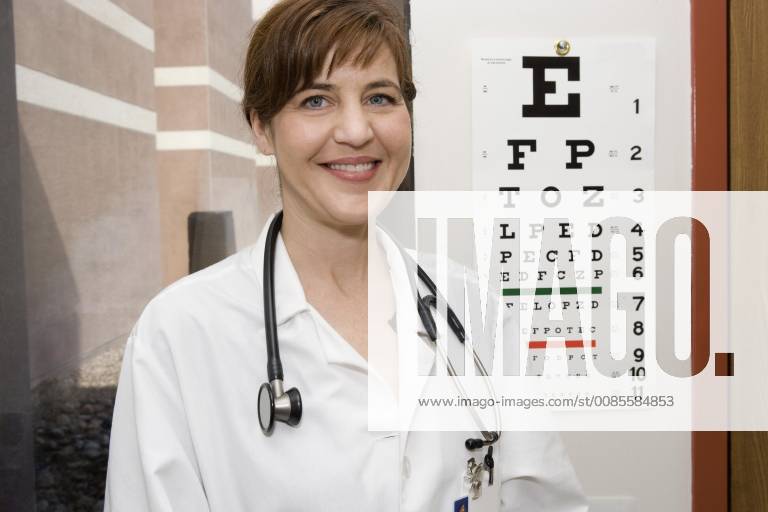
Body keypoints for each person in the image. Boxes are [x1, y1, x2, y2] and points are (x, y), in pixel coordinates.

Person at [104, 0, 588, 510]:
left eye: (380, 97)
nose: (357, 131)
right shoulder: (179, 335)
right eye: (316, 100)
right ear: (261, 128)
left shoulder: (474, 310)